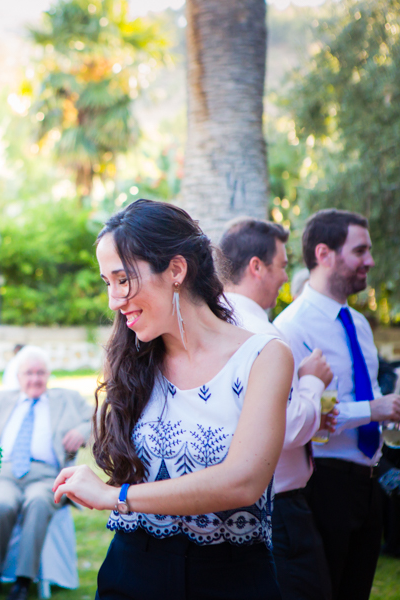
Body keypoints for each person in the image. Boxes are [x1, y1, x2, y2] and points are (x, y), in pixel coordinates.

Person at [53, 199, 293, 600]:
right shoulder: (132, 360)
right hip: (132, 567)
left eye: (123, 280)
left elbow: (244, 481)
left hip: (230, 578)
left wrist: (116, 497)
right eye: (106, 283)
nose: (114, 300)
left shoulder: (264, 356)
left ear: (176, 270)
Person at [274, 209, 400, 600]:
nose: (370, 261)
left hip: (368, 483)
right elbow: (292, 415)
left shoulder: (360, 325)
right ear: (324, 253)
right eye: (360, 250)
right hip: (322, 485)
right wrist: (373, 410)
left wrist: (387, 416)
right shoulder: (291, 328)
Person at [220, 217, 335, 599]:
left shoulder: (212, 324)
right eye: (282, 265)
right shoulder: (263, 334)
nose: (287, 277)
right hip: (278, 506)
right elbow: (284, 428)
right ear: (257, 266)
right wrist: (312, 382)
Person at [0, 344, 91, 600]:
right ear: (18, 377)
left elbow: (101, 416)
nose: (35, 379)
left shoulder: (66, 399)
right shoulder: (1, 400)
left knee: (39, 502)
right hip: (6, 473)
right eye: (29, 373)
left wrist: (83, 431)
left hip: (47, 475)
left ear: (48, 376)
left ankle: (23, 580)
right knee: (1, 505)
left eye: (41, 373)